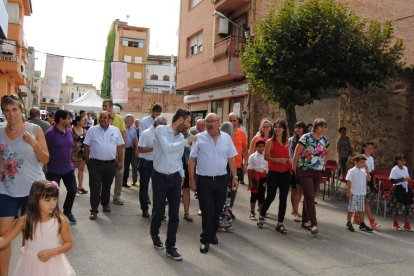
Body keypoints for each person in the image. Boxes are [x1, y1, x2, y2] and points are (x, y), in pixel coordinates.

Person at [0, 95, 49, 276]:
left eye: (14, 109)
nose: (11, 114)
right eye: (6, 110)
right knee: (3, 236)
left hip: (32, 190)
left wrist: (35, 144)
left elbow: (45, 159)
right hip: (6, 189)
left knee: (28, 238)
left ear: (22, 110)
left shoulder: (35, 130)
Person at [0, 180, 75, 275]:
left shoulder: (60, 221)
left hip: (53, 266)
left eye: (55, 199)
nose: (52, 204)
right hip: (29, 266)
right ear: (35, 199)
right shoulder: (25, 221)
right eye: (47, 200)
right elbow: (4, 240)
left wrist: (53, 251)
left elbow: (68, 243)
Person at [189, 113, 238, 254]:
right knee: (207, 210)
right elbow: (192, 160)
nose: (209, 124)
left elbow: (231, 159)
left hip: (222, 179)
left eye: (212, 121)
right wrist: (192, 180)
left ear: (218, 122)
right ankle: (205, 239)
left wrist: (235, 177)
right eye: (207, 121)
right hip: (204, 180)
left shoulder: (226, 138)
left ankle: (212, 233)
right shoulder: (199, 138)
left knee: (217, 210)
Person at [150, 108, 195, 261]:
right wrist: (186, 141)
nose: (189, 125)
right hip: (159, 178)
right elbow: (167, 149)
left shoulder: (182, 136)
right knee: (159, 210)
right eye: (188, 122)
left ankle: (171, 246)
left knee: (174, 215)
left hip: (175, 178)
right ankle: (155, 234)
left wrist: (182, 175)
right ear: (181, 119)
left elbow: (178, 159)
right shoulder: (161, 130)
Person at [84, 111, 125, 220]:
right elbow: (86, 146)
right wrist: (87, 161)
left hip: (110, 164)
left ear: (109, 119)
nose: (102, 119)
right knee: (95, 187)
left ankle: (105, 204)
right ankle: (94, 210)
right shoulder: (92, 130)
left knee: (107, 187)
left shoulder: (115, 130)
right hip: (95, 164)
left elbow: (120, 147)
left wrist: (120, 161)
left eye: (105, 117)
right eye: (101, 117)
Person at [293, 118, 330, 235]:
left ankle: (304, 221)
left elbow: (328, 151)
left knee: (309, 196)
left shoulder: (324, 139)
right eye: (321, 126)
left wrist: (324, 163)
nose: (323, 129)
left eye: (324, 127)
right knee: (310, 195)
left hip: (317, 171)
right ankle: (313, 223)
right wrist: (293, 169)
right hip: (304, 169)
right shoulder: (306, 137)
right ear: (316, 126)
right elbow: (296, 153)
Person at [257, 119, 291, 234]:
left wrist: (289, 161)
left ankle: (280, 223)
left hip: (286, 173)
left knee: (283, 199)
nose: (277, 129)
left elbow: (287, 155)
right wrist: (278, 160)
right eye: (275, 127)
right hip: (273, 173)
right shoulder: (270, 142)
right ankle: (261, 215)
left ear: (284, 129)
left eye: (280, 127)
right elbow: (266, 157)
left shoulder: (287, 141)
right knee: (270, 196)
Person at [45, 110, 78, 225]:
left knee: (73, 190)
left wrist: (71, 161)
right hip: (54, 170)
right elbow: (44, 150)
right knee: (53, 195)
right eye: (68, 118)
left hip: (68, 168)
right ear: (61, 119)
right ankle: (53, 215)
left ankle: (67, 212)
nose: (70, 121)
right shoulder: (50, 134)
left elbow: (70, 147)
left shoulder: (69, 131)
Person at [137, 116, 167, 218]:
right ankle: (144, 209)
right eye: (164, 124)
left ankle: (158, 212)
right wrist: (153, 148)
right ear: (157, 124)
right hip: (146, 163)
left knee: (159, 189)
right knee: (144, 187)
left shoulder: (164, 134)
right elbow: (140, 149)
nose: (166, 126)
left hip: (158, 164)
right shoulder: (146, 133)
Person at [102, 100, 126, 206]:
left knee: (119, 174)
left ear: (111, 107)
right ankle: (103, 195)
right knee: (104, 174)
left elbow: (123, 135)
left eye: (105, 106)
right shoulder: (101, 117)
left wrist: (121, 154)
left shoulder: (119, 119)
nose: (103, 107)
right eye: (103, 106)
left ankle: (116, 197)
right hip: (105, 151)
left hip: (117, 151)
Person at [354, 141, 380, 229]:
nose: (370, 150)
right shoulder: (361, 157)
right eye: (368, 148)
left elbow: (372, 172)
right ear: (364, 147)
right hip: (361, 181)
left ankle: (356, 217)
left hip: (368, 182)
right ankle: (371, 221)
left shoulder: (371, 159)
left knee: (363, 201)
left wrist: (373, 183)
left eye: (372, 148)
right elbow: (357, 170)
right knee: (366, 202)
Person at [345, 155, 373, 232]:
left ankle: (362, 224)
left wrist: (367, 169)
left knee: (361, 209)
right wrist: (349, 191)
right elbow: (349, 181)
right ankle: (348, 222)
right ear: (356, 162)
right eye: (361, 162)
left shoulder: (363, 171)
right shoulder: (352, 171)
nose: (363, 164)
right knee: (351, 208)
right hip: (354, 193)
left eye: (364, 162)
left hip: (361, 193)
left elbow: (369, 179)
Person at [228, 112, 248, 217]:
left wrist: (246, 163)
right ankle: (223, 209)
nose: (232, 122)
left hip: (238, 164)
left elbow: (245, 150)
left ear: (238, 121)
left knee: (234, 188)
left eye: (234, 120)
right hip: (225, 166)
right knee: (224, 188)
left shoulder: (241, 133)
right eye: (230, 120)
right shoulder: (223, 133)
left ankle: (230, 208)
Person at [388, 153, 413, 231]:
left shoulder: (405, 168)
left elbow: (407, 177)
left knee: (407, 206)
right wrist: (402, 179)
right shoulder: (394, 169)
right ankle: (395, 223)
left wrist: (407, 179)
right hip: (398, 189)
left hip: (405, 189)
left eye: (404, 161)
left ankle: (406, 224)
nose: (403, 162)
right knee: (396, 207)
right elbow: (392, 181)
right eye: (401, 161)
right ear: (397, 161)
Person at [288, 122, 307, 222]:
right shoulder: (291, 140)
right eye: (296, 127)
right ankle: (295, 212)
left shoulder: (307, 140)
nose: (298, 129)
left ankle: (294, 209)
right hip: (294, 166)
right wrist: (290, 160)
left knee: (301, 190)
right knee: (295, 189)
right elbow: (288, 152)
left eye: (300, 127)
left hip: (304, 167)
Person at [218, 122, 235, 229]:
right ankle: (223, 220)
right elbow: (231, 160)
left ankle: (222, 218)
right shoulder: (228, 141)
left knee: (222, 198)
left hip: (221, 174)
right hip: (225, 175)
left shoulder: (219, 140)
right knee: (225, 198)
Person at [247, 138, 268, 220]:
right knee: (254, 195)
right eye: (259, 146)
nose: (261, 148)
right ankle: (252, 212)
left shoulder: (266, 156)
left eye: (263, 146)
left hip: (263, 178)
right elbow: (249, 169)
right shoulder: (252, 157)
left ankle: (261, 213)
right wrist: (250, 182)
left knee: (261, 196)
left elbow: (267, 170)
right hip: (255, 178)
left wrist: (267, 181)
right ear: (256, 147)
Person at [72, 115, 88, 194]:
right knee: (72, 171)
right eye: (83, 120)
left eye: (85, 121)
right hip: (73, 153)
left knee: (81, 170)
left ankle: (80, 187)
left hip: (82, 153)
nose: (84, 122)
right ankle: (73, 188)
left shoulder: (85, 131)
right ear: (78, 122)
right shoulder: (71, 130)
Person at [122, 114, 138, 188]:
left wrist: (136, 149)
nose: (133, 122)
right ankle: (119, 180)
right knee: (121, 165)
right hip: (121, 149)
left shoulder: (133, 129)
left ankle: (124, 181)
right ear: (128, 120)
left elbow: (135, 140)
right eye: (132, 121)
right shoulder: (122, 127)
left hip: (129, 149)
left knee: (127, 166)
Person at [182, 127, 194, 222]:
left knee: (186, 189)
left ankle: (186, 212)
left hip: (185, 165)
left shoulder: (190, 137)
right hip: (173, 165)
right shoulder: (173, 135)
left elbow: (193, 155)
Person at [131, 119, 140, 186]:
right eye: (136, 122)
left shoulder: (138, 130)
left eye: (138, 123)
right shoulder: (134, 130)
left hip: (139, 150)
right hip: (135, 150)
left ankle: (137, 180)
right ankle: (135, 180)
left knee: (136, 166)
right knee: (134, 166)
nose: (137, 123)